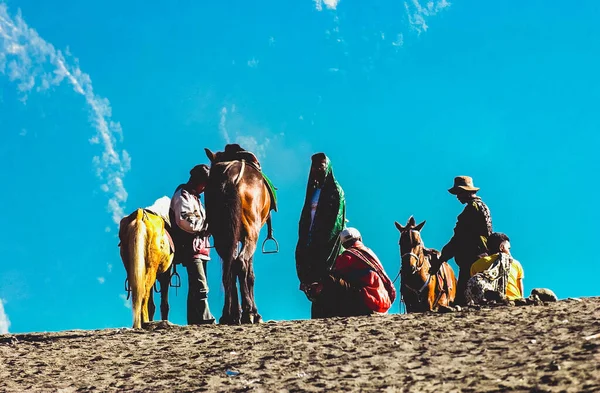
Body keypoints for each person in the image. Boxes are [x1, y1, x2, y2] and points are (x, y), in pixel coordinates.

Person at [295, 153, 346, 318]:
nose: (317, 169)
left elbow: (335, 222)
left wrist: (321, 242)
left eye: (321, 165)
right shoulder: (312, 192)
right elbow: (305, 218)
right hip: (310, 241)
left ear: (328, 167)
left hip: (327, 244)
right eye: (315, 166)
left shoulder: (335, 191)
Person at [307, 228, 396, 317]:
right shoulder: (369, 253)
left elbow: (336, 275)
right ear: (360, 239)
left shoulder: (347, 256)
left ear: (343, 244)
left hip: (369, 300)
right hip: (383, 300)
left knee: (329, 280)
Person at [433, 176, 493, 305]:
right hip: (484, 257)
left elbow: (459, 238)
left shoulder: (471, 209)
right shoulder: (483, 207)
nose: (457, 197)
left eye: (459, 193)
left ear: (465, 191)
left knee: (463, 299)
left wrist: (442, 258)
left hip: (471, 260)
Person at [169, 164, 215, 325]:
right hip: (191, 248)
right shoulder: (183, 196)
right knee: (201, 286)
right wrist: (205, 226)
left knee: (196, 286)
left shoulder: (194, 198)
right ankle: (205, 318)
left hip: (200, 248)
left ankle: (194, 320)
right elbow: (186, 221)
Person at [469, 232, 524, 300]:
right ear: (501, 247)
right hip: (514, 300)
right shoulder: (515, 263)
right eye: (508, 248)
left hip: (487, 303)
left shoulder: (476, 265)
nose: (509, 252)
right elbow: (520, 286)